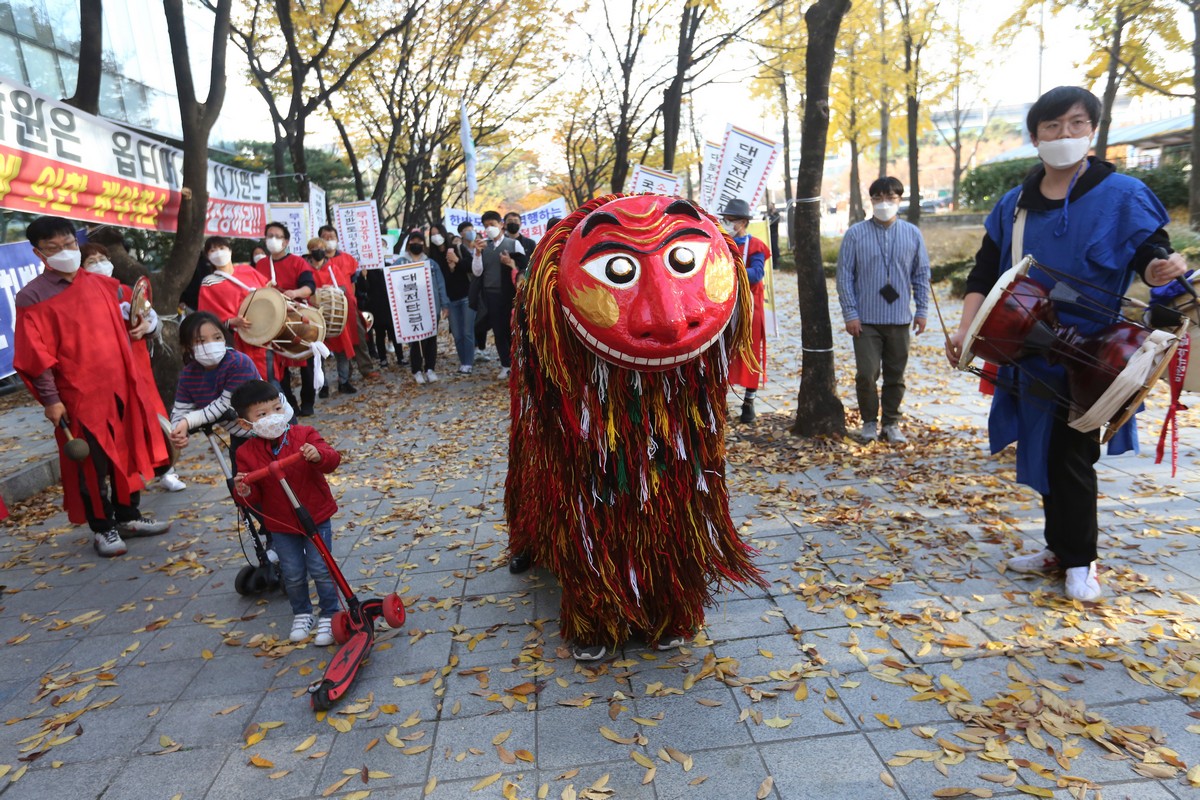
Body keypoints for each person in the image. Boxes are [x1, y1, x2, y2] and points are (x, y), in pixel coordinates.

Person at [945, 86, 1187, 602]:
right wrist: (966, 330)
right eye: (1052, 127)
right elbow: (984, 272)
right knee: (1046, 450)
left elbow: (1150, 251)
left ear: (1092, 131)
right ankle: (1059, 549)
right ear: (1035, 137)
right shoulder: (1014, 206)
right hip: (1026, 347)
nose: (1064, 135)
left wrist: (1159, 267)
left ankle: (1081, 559)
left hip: (1096, 352)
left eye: (1076, 124)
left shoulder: (1121, 193)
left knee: (1072, 454)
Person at [14, 216, 171, 557]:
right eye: (54, 248)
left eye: (69, 244)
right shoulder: (32, 297)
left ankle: (129, 516)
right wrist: (51, 400)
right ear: (38, 253)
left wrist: (140, 326)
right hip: (77, 395)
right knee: (91, 464)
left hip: (120, 386)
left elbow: (133, 322)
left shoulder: (104, 286)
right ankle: (103, 527)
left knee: (127, 451)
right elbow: (35, 356)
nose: (64, 252)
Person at [232, 379, 342, 645]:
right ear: (246, 424)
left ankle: (330, 612)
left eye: (277, 408)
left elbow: (331, 459)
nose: (273, 417)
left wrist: (318, 455)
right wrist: (243, 491)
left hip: (314, 514)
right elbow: (252, 495)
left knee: (320, 567)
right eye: (262, 414)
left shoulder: (303, 434)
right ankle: (303, 612)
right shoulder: (246, 453)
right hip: (281, 524)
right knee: (292, 573)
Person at [80, 243, 186, 494]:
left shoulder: (126, 291)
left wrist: (146, 328)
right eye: (91, 260)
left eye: (101, 258)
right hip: (107, 373)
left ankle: (166, 469)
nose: (98, 263)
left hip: (138, 367)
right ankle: (130, 480)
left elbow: (152, 319)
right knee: (123, 427)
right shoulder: (82, 298)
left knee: (153, 417)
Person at [836, 176, 931, 444]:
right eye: (878, 197)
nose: (884, 203)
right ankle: (868, 422)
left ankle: (891, 423)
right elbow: (844, 276)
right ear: (871, 200)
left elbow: (921, 274)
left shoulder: (912, 234)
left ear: (900, 200)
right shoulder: (855, 234)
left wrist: (922, 310)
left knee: (895, 376)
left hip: (900, 319)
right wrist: (850, 313)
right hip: (865, 321)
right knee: (867, 374)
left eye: (890, 197)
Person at [168, 312, 260, 460]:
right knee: (242, 481)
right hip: (240, 435)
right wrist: (178, 431)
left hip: (275, 429)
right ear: (187, 346)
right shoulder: (189, 375)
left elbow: (223, 405)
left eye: (217, 338)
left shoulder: (239, 363)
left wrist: (187, 421)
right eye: (201, 341)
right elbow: (181, 409)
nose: (211, 344)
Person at [255, 222, 318, 416]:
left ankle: (308, 402)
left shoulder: (299, 262)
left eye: (277, 236)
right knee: (279, 364)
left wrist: (295, 292)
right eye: (269, 235)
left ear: (286, 241)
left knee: (304, 361)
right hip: (273, 320)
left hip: (297, 317)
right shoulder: (261, 265)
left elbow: (310, 287)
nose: (273, 239)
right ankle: (289, 403)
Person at [197, 236, 277, 383]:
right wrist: (231, 321)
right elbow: (206, 317)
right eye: (213, 250)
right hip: (235, 341)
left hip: (264, 334)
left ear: (230, 251)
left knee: (271, 378)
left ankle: (283, 405)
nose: (218, 253)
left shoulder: (247, 270)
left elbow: (268, 292)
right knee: (248, 381)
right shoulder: (208, 283)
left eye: (222, 248)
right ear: (208, 257)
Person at [720, 199, 771, 423]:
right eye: (726, 219)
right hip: (724, 308)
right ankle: (719, 402)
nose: (727, 223)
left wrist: (731, 269)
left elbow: (757, 274)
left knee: (749, 353)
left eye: (731, 220)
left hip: (750, 308)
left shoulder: (756, 245)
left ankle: (749, 402)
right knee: (722, 354)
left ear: (743, 222)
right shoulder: (720, 243)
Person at [319, 225, 378, 381]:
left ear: (337, 239)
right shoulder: (318, 262)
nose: (329, 240)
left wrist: (351, 298)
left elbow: (352, 282)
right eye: (325, 237)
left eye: (332, 237)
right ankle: (346, 373)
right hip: (328, 307)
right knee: (339, 340)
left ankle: (366, 368)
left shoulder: (347, 258)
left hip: (348, 304)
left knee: (359, 335)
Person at [471, 210, 523, 379]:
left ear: (501, 225)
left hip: (510, 294)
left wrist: (510, 263)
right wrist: (478, 253)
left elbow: (523, 267)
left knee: (512, 330)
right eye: (486, 226)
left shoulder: (513, 244)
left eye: (492, 224)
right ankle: (505, 364)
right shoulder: (483, 246)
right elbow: (477, 272)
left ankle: (518, 363)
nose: (489, 228)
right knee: (498, 331)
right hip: (490, 295)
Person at [305, 237, 358, 396]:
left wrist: (333, 290)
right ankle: (323, 385)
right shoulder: (306, 269)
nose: (319, 251)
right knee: (318, 351)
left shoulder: (332, 267)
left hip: (334, 314)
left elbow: (343, 287)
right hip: (316, 315)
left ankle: (344, 381)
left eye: (321, 247)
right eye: (315, 248)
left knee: (341, 349)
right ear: (310, 251)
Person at [397, 229, 450, 384]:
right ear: (408, 244)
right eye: (413, 241)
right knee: (416, 341)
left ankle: (430, 368)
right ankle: (417, 370)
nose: (416, 244)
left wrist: (445, 304)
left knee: (431, 339)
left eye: (420, 242)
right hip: (410, 308)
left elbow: (440, 285)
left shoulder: (431, 263)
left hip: (431, 307)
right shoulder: (400, 263)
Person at [443, 222, 476, 373]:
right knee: (457, 334)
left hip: (466, 297)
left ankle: (468, 363)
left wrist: (457, 261)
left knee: (467, 332)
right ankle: (463, 361)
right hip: (450, 300)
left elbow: (471, 266)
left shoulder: (459, 249)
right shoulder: (435, 256)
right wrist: (449, 268)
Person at [503, 211, 536, 282]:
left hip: (524, 281)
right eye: (510, 221)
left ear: (520, 224)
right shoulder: (500, 243)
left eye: (515, 221)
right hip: (504, 282)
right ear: (505, 225)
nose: (513, 223)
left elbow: (534, 262)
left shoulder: (530, 243)